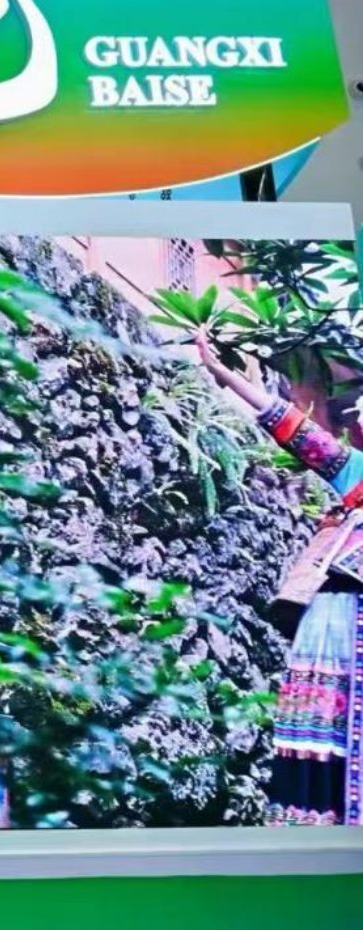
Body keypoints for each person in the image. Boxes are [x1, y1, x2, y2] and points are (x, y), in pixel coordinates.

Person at [196, 332, 363, 826]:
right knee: (318, 717)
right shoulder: (354, 471)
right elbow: (287, 422)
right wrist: (222, 373)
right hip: (335, 612)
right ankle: (310, 825)